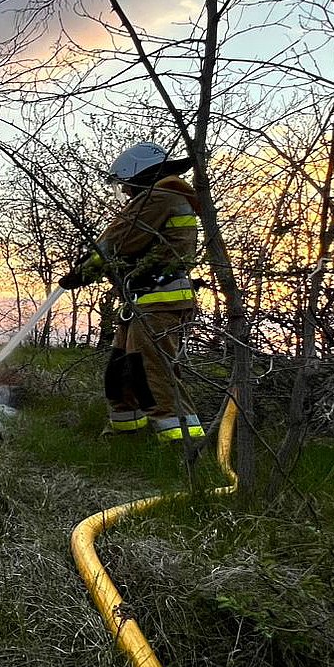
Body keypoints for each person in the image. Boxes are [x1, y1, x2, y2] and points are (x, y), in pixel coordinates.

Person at [59, 142, 205, 444]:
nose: (125, 192)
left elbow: (119, 240)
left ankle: (184, 444)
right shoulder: (165, 197)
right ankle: (125, 438)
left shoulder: (160, 196)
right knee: (121, 374)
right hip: (141, 301)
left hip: (158, 301)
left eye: (127, 184)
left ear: (140, 174)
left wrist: (83, 270)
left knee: (152, 374)